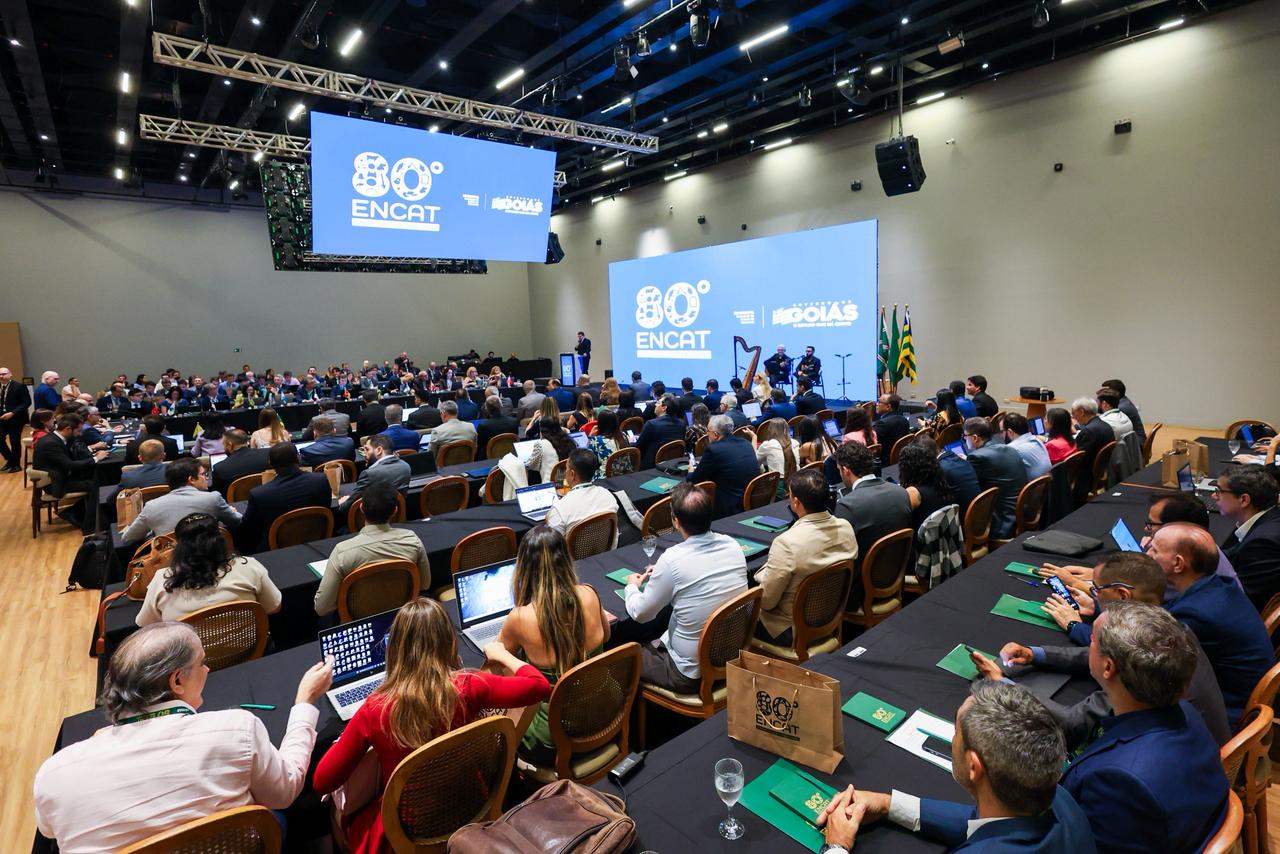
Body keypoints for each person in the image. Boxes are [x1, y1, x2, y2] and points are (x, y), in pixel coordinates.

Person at [33, 621, 332, 853]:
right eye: (201, 662)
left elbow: (48, 830)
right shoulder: (236, 730)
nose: (207, 668)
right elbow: (285, 791)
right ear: (177, 680)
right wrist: (304, 703)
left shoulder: (54, 775)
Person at [314, 598, 551, 854]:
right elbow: (539, 685)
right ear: (449, 641)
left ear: (395, 648)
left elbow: (322, 782)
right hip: (469, 803)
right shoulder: (470, 686)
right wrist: (502, 654)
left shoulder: (374, 709)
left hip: (408, 827)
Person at [978, 552, 1230, 749]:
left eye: (1096, 590)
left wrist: (1003, 685)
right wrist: (1036, 654)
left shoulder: (1136, 667)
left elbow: (1071, 724)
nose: (1093, 595)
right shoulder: (1172, 627)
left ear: (1123, 595)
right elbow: (1098, 651)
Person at [816, 680, 1094, 854]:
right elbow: (985, 824)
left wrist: (837, 846)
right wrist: (889, 805)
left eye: (956, 732)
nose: (952, 741)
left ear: (974, 766)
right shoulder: (1060, 798)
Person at [1058, 602, 1229, 854]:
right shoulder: (1187, 712)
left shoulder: (1119, 782)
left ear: (1108, 667)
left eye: (1092, 640)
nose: (1089, 643)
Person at [497, 526, 611, 763]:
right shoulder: (589, 593)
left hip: (553, 737)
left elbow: (497, 666)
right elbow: (607, 636)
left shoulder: (520, 617)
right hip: (603, 714)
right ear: (567, 559)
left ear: (523, 568)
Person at [622, 483, 748, 692]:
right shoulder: (733, 545)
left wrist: (632, 587)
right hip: (731, 656)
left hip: (689, 673)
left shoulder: (672, 560)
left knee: (621, 659)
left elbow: (641, 614)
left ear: (675, 521)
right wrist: (664, 572)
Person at [1151, 523, 1272, 728]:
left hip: (1225, 717)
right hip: (1238, 696)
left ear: (1178, 564)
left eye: (1154, 550)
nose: (1147, 554)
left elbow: (1149, 659)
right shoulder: (1219, 585)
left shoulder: (1195, 615)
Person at [754, 470, 856, 645]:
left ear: (796, 502)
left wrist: (762, 575)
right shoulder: (846, 527)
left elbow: (766, 602)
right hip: (830, 617)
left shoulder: (786, 543)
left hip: (791, 629)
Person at [136, 512, 282, 625]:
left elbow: (145, 624)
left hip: (189, 655)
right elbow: (274, 607)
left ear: (179, 547)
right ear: (220, 540)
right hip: (252, 650)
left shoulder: (162, 579)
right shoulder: (248, 566)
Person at [314, 482, 431, 617]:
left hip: (357, 622)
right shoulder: (412, 541)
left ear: (361, 509)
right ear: (395, 511)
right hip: (402, 618)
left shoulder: (342, 552)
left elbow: (322, 607)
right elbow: (425, 584)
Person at [834, 441, 911, 578]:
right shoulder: (902, 493)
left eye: (839, 470)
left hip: (861, 583)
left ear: (846, 470)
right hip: (897, 573)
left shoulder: (847, 506)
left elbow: (840, 555)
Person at [1141, 492, 1242, 596]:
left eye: (1151, 524)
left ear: (1175, 528)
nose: (1146, 528)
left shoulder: (1180, 568)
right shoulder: (1203, 547)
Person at [236, 443, 332, 552]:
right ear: (298, 458)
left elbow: (247, 528)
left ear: (270, 463)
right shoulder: (321, 480)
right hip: (319, 542)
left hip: (275, 551)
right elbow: (327, 506)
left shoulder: (260, 494)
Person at [122, 458, 242, 545]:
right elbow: (237, 521)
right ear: (191, 479)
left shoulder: (151, 506)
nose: (207, 477)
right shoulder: (213, 498)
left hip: (170, 564)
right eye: (203, 474)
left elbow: (128, 538)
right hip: (211, 559)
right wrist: (232, 511)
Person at [1215, 464, 1280, 608]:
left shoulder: (1262, 543)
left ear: (1244, 500)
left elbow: (1240, 600)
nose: (1214, 496)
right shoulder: (1270, 518)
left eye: (1219, 491)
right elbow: (1234, 553)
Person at [32, 413, 108, 531]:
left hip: (62, 476)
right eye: (78, 431)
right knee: (96, 484)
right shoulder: (51, 443)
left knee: (98, 478)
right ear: (68, 429)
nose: (80, 434)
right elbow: (69, 465)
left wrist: (92, 455)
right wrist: (95, 459)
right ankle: (81, 518)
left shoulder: (56, 438)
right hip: (55, 483)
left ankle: (81, 514)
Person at [963, 417, 1028, 539]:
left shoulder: (977, 457)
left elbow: (969, 485)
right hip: (1021, 514)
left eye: (965, 436)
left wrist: (964, 462)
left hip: (1003, 522)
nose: (964, 439)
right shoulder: (1010, 449)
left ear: (975, 438)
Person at [688, 414, 761, 518]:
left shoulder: (713, 450)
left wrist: (690, 471)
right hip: (752, 501)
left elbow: (694, 480)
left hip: (727, 507)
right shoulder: (746, 443)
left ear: (716, 435)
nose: (707, 434)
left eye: (708, 431)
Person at [545, 449, 621, 546]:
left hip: (571, 556)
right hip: (607, 553)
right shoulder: (608, 496)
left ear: (572, 474)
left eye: (566, 469)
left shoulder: (559, 509)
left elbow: (553, 546)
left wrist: (549, 518)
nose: (565, 472)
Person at [339, 435, 410, 515]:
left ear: (379, 450)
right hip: (397, 516)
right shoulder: (405, 466)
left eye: (367, 449)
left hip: (374, 519)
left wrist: (343, 503)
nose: (364, 454)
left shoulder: (369, 474)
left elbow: (346, 507)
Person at [897, 443, 952, 531]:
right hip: (942, 533)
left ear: (907, 468)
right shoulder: (941, 482)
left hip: (923, 537)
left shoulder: (914, 492)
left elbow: (901, 519)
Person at [1069, 397, 1114, 502]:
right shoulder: (1105, 425)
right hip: (1098, 472)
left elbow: (1078, 460)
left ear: (1082, 412)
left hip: (1085, 477)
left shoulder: (1088, 432)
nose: (1072, 416)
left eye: (1073, 413)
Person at [210, 429, 271, 497]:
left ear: (230, 444)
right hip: (267, 498)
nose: (224, 448)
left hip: (236, 503)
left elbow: (217, 496)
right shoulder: (267, 454)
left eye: (224, 445)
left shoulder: (219, 468)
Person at [634, 393, 686, 469]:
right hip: (674, 464)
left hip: (651, 466)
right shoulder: (682, 424)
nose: (655, 405)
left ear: (664, 408)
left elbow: (638, 447)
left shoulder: (651, 424)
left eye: (658, 403)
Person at [751, 416, 799, 486]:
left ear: (770, 430)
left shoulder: (767, 445)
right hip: (797, 482)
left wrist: (754, 438)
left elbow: (754, 462)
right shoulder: (795, 443)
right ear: (786, 429)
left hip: (777, 486)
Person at [1002, 413, 1051, 478]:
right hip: (1047, 481)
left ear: (1010, 432)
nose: (1001, 435)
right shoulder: (1037, 440)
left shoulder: (1011, 448)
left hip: (1032, 483)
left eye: (1002, 431)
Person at [1100, 378, 1145, 446]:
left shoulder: (1122, 407)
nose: (1102, 393)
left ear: (1117, 393)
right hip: (1134, 439)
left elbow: (1105, 425)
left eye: (1106, 391)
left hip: (1136, 444)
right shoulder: (1123, 400)